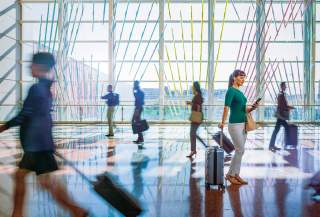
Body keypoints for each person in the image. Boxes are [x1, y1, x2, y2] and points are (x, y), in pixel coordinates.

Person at [0, 52, 88, 217]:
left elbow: (25, 115)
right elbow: (44, 117)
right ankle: (17, 213)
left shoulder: (37, 88)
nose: (29, 67)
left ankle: (78, 211)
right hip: (38, 145)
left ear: (39, 67)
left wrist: (4, 127)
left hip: (36, 146)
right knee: (24, 177)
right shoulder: (46, 89)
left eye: (31, 64)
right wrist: (50, 141)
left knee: (46, 183)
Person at [218, 69, 259, 185]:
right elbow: (226, 108)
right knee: (240, 149)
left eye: (244, 78)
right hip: (234, 125)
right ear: (234, 77)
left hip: (243, 124)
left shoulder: (240, 92)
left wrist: (253, 107)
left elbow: (243, 109)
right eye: (241, 77)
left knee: (240, 151)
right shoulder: (231, 91)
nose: (243, 80)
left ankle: (235, 174)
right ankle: (230, 175)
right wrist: (222, 122)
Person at [269, 82, 295, 151]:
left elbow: (282, 104)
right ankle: (286, 143)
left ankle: (273, 145)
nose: (286, 87)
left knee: (278, 129)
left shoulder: (282, 94)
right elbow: (281, 105)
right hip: (281, 115)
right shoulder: (281, 95)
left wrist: (288, 107)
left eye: (285, 86)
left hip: (280, 115)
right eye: (284, 86)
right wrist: (289, 107)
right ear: (282, 86)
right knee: (282, 129)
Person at [186, 81, 203, 158]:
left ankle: (193, 150)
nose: (192, 88)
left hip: (196, 117)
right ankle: (193, 150)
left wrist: (191, 104)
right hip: (196, 116)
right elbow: (197, 105)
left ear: (195, 87)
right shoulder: (197, 95)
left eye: (193, 86)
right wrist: (191, 103)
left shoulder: (198, 96)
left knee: (192, 133)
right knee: (193, 133)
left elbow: (198, 106)